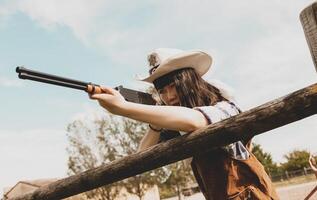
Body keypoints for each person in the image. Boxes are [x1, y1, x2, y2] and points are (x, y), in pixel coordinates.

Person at [89, 48, 279, 200]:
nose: (169, 96)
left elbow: (196, 120)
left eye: (174, 86)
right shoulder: (178, 125)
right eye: (162, 91)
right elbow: (141, 157)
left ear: (190, 81)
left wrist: (123, 107)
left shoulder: (226, 107)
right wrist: (155, 125)